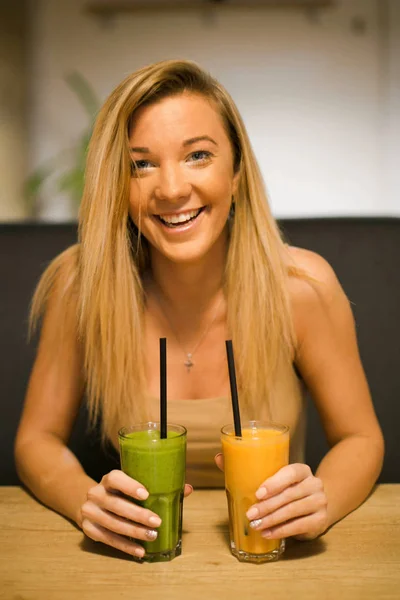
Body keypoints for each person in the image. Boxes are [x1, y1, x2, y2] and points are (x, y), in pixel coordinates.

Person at [15, 59, 384, 559]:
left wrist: (324, 498)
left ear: (236, 173)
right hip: (141, 563)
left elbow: (361, 438)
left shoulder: (303, 287)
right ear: (117, 187)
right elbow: (36, 440)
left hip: (270, 560)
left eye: (198, 156)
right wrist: (85, 501)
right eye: (140, 163)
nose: (170, 188)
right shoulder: (81, 286)